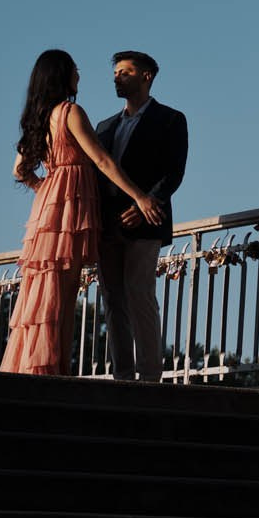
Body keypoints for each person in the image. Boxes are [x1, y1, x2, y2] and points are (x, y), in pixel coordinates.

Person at [1, 49, 158, 378]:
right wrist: (139, 197)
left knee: (44, 288)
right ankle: (54, 372)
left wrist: (45, 188)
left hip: (48, 207)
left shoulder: (40, 117)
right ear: (62, 75)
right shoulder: (70, 112)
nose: (79, 74)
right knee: (64, 290)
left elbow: (19, 170)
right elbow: (101, 160)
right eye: (74, 69)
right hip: (70, 208)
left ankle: (42, 365)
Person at [94, 50, 188, 383]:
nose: (117, 77)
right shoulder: (104, 126)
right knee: (113, 300)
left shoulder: (171, 119)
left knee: (140, 293)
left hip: (147, 221)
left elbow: (174, 172)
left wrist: (145, 205)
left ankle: (149, 376)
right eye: (116, 72)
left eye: (125, 72)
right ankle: (122, 376)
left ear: (146, 76)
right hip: (107, 225)